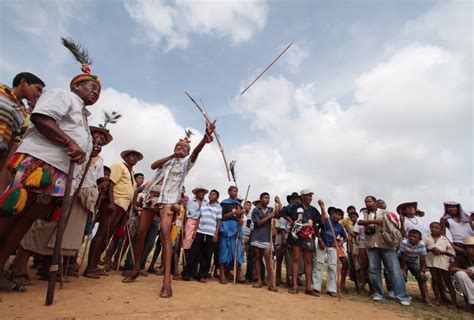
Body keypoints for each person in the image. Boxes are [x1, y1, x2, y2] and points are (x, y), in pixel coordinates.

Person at [0, 52, 100, 291]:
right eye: (91, 86)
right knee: (10, 214)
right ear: (76, 86)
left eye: (98, 90)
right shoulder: (61, 95)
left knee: (26, 220)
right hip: (39, 164)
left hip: (59, 174)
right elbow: (42, 117)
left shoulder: (84, 116)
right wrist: (69, 143)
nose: (95, 92)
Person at [123, 123, 215, 298]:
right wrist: (172, 155)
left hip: (168, 200)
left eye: (184, 148)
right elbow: (152, 166)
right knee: (141, 232)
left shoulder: (186, 163)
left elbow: (196, 152)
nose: (181, 148)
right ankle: (136, 268)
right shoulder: (167, 162)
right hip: (151, 198)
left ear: (187, 153)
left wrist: (204, 138)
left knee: (165, 232)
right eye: (178, 146)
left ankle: (167, 282)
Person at [10, 126, 111, 284]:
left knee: (62, 234)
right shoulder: (75, 151)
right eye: (95, 138)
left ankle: (48, 268)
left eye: (101, 141)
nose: (98, 143)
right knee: (43, 226)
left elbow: (97, 181)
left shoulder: (100, 162)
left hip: (81, 199)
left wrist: (102, 185)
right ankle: (18, 266)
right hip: (61, 191)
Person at [84, 149, 143, 278]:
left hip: (123, 207)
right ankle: (90, 267)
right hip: (114, 204)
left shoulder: (131, 173)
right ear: (126, 157)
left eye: (136, 157)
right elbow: (111, 183)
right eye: (131, 156)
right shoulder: (119, 166)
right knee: (102, 233)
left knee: (108, 235)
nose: (134, 158)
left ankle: (94, 266)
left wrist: (127, 211)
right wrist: (111, 202)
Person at [358, 196, 410, 306]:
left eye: (370, 201)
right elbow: (360, 222)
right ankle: (378, 294)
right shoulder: (364, 213)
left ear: (375, 202)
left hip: (386, 244)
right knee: (374, 270)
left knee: (394, 270)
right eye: (366, 202)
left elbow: (395, 226)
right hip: (372, 243)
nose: (368, 203)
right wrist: (373, 221)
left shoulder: (385, 212)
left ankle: (401, 296)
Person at [277, 189, 322, 295]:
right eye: (308, 196)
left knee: (308, 261)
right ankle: (295, 286)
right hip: (296, 235)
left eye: (311, 196)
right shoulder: (294, 206)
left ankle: (308, 288)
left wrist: (322, 207)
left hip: (309, 236)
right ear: (302, 197)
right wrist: (291, 221)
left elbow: (322, 221)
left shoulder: (313, 210)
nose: (310, 198)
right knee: (296, 258)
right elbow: (282, 212)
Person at [0, 72, 44, 169]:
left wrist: (2, 163)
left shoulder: (22, 112)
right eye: (38, 89)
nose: (39, 94)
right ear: (23, 82)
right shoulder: (1, 89)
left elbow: (12, 137)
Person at [180, 188, 221, 283]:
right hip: (200, 231)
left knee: (207, 255)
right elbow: (199, 218)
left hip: (211, 233)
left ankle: (202, 275)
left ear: (217, 197)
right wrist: (195, 231)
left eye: (214, 194)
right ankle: (187, 274)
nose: (211, 195)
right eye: (210, 194)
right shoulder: (204, 204)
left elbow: (219, 221)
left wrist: (216, 234)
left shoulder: (218, 207)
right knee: (194, 253)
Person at [313, 207, 346, 297]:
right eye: (336, 214)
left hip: (332, 247)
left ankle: (331, 289)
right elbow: (317, 230)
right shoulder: (326, 221)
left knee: (332, 266)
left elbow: (345, 237)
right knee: (319, 264)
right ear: (331, 214)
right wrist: (320, 240)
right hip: (322, 245)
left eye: (339, 215)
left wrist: (339, 243)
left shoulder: (340, 227)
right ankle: (316, 288)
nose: (337, 216)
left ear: (341, 218)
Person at [249, 193, 278, 292]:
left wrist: (278, 202)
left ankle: (271, 283)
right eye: (265, 198)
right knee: (257, 259)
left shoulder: (271, 209)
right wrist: (270, 217)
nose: (267, 199)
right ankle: (259, 281)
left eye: (268, 198)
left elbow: (280, 213)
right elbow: (258, 223)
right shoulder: (256, 210)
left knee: (268, 259)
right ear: (261, 199)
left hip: (267, 237)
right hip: (257, 236)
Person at [425, 222, 457, 307]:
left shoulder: (444, 239)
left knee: (447, 281)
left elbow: (452, 252)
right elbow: (422, 248)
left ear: (441, 230)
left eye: (436, 228)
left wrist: (442, 252)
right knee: (435, 280)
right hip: (431, 261)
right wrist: (431, 249)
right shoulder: (427, 238)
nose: (433, 229)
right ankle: (438, 299)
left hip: (443, 262)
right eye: (432, 227)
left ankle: (454, 302)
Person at [218, 185, 245, 284]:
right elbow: (222, 216)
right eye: (234, 191)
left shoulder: (239, 205)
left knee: (236, 253)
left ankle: (233, 273)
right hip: (226, 228)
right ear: (229, 192)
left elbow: (239, 218)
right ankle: (222, 275)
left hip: (236, 229)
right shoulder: (224, 203)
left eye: (236, 191)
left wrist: (240, 218)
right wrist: (235, 213)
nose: (235, 193)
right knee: (223, 251)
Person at [399, 229, 432, 306]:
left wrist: (422, 270)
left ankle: (426, 298)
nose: (412, 238)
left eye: (414, 237)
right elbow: (402, 256)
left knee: (421, 277)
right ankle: (404, 296)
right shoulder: (404, 243)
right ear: (407, 237)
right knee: (402, 276)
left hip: (414, 260)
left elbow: (422, 258)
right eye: (410, 236)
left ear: (419, 239)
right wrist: (403, 268)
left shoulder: (422, 245)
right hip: (403, 260)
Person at [450, 236, 474, 309]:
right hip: (470, 282)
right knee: (459, 273)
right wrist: (466, 271)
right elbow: (452, 268)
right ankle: (472, 301)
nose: (472, 249)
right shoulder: (462, 257)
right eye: (470, 247)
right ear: (466, 248)